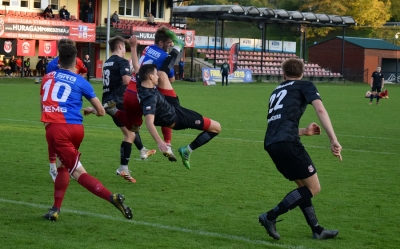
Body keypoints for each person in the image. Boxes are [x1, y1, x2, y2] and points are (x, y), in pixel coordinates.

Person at [40, 42, 132, 222]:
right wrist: (91, 110)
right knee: (62, 167)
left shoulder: (47, 77)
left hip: (57, 129)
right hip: (77, 129)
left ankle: (111, 197)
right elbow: (101, 111)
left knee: (78, 172)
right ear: (76, 63)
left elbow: (43, 104)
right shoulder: (81, 81)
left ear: (58, 60)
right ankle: (55, 209)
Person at [258, 58, 342, 241]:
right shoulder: (304, 85)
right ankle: (270, 216)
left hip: (272, 143)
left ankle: (317, 230)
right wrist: (333, 139)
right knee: (314, 188)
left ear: (283, 74)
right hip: (288, 143)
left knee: (303, 187)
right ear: (303, 73)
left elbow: (278, 124)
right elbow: (320, 110)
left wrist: (304, 131)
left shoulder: (276, 91)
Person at [136, 64, 221, 169]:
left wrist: (134, 48)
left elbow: (137, 68)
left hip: (172, 106)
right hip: (177, 118)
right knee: (216, 128)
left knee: (163, 74)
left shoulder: (140, 84)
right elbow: (149, 122)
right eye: (155, 74)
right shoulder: (150, 98)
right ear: (150, 77)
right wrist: (160, 142)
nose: (157, 76)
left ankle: (176, 49)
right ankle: (187, 150)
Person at [101, 36, 156, 183]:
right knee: (130, 134)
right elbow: (126, 81)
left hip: (108, 100)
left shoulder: (107, 62)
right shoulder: (122, 61)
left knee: (131, 129)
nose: (124, 49)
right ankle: (123, 167)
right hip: (118, 102)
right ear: (120, 46)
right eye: (124, 47)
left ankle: (142, 150)